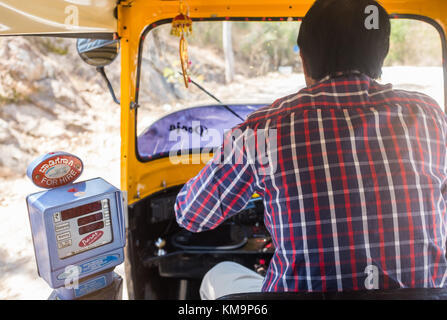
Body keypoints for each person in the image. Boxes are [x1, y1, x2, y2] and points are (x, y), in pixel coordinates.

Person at [175, 0, 447, 299]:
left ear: (304, 59)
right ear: (381, 54)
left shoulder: (262, 129)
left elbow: (191, 215)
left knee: (218, 276)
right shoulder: (429, 115)